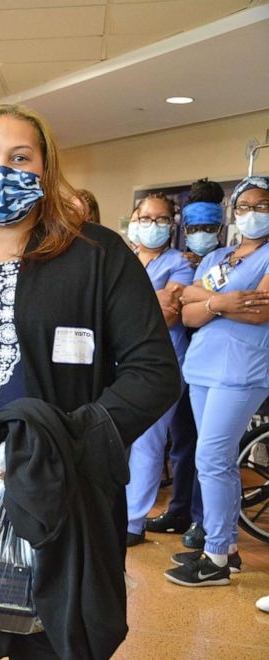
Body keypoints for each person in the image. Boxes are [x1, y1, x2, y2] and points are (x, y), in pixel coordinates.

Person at [0, 104, 180, 660]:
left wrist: (64, 440)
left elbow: (154, 373)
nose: (0, 169)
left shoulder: (97, 256)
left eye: (19, 157)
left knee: (58, 642)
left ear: (46, 169)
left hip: (62, 497)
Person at [166, 176, 269, 587]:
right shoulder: (218, 258)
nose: (251, 214)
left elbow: (261, 311)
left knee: (212, 458)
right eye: (243, 207)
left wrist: (205, 302)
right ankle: (222, 547)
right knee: (211, 461)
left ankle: (217, 556)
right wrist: (222, 303)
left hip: (242, 371)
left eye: (262, 205)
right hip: (203, 368)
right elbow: (185, 313)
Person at [145, 179, 225, 545]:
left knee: (204, 447)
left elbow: (183, 309)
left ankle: (201, 520)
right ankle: (179, 511)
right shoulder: (195, 260)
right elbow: (186, 307)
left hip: (218, 361)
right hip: (187, 361)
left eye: (209, 229)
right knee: (182, 442)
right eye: (194, 229)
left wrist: (199, 299)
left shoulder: (231, 259)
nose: (200, 235)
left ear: (221, 226)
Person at [124, 193, 196, 547]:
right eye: (145, 218)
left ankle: (133, 522)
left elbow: (170, 314)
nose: (151, 225)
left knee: (148, 442)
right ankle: (112, 512)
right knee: (116, 440)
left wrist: (121, 304)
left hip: (162, 363)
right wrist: (153, 298)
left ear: (172, 225)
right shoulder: (124, 258)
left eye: (161, 219)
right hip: (121, 360)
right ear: (134, 220)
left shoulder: (180, 265)